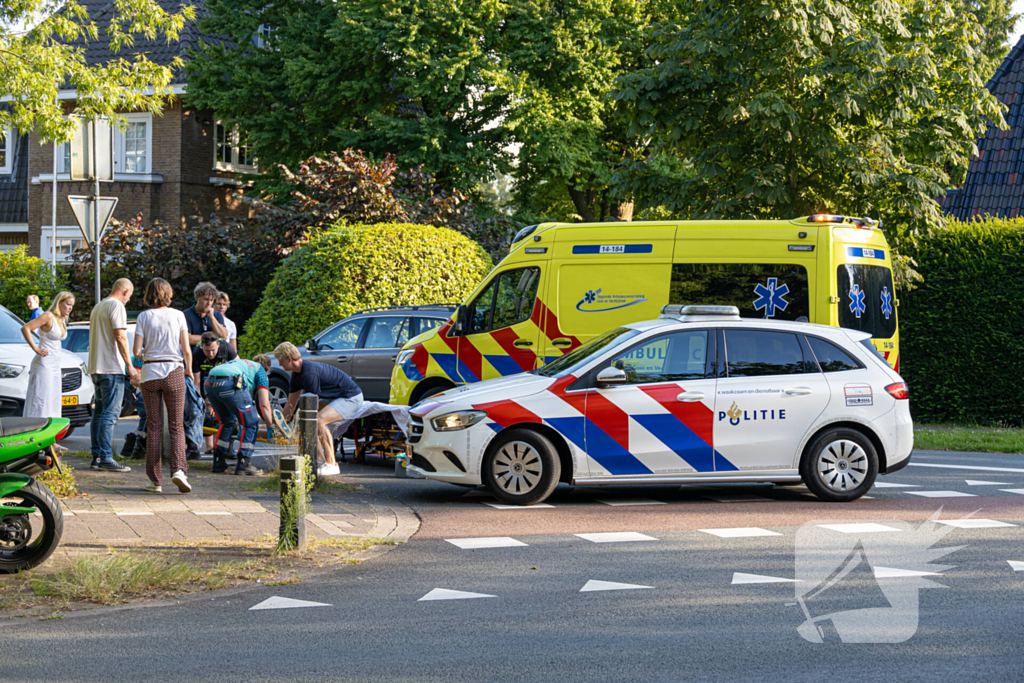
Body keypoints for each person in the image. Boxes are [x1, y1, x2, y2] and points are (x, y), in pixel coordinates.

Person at [133, 278, 194, 494]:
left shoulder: (143, 316)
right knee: (176, 425)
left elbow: (136, 351)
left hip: (150, 373)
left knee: (153, 426)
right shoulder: (178, 315)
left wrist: (150, 355)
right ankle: (178, 471)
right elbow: (186, 349)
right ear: (168, 294)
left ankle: (155, 481)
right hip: (174, 370)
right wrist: (189, 370)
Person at [274, 341, 363, 477]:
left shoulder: (309, 373)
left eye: (281, 360)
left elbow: (311, 404)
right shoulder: (296, 376)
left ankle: (331, 464)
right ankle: (319, 463)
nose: (280, 364)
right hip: (335, 397)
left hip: (351, 397)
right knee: (308, 420)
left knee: (318, 420)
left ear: (289, 359)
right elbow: (290, 405)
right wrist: (279, 426)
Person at [87, 278, 136, 473]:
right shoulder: (117, 306)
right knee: (110, 413)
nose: (128, 300)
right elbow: (120, 336)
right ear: (125, 292)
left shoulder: (98, 306)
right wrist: (130, 366)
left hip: (96, 367)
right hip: (111, 367)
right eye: (129, 296)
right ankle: (106, 457)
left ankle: (97, 456)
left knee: (99, 413)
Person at [205, 355, 273, 475]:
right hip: (229, 382)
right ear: (267, 369)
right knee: (251, 423)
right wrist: (269, 426)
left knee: (227, 421)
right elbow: (264, 404)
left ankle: (218, 461)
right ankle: (244, 463)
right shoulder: (261, 371)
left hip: (209, 383)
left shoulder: (242, 364)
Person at [21, 292, 74, 420]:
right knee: (41, 400)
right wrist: (35, 348)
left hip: (55, 365)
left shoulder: (62, 320)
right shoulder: (48, 316)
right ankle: (35, 428)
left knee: (53, 400)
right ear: (59, 303)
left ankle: (51, 431)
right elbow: (26, 328)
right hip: (44, 364)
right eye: (68, 304)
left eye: (72, 305)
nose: (70, 308)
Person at [192, 331, 236, 452]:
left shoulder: (227, 348)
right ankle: (209, 446)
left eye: (213, 350)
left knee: (229, 416)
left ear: (218, 344)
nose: (210, 354)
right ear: (202, 346)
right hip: (206, 384)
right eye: (207, 351)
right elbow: (196, 381)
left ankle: (227, 446)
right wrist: (201, 401)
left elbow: (238, 367)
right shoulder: (197, 354)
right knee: (208, 415)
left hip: (226, 384)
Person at [183, 281, 229, 347]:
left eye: (211, 300)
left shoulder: (217, 315)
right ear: (197, 298)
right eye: (206, 299)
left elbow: (223, 336)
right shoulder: (186, 315)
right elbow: (187, 338)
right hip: (194, 352)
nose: (209, 303)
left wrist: (212, 318)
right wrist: (212, 337)